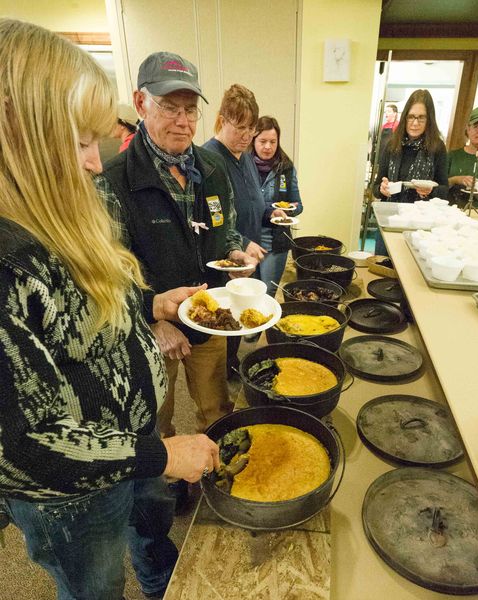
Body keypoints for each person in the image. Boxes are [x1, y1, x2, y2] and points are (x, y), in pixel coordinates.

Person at [0, 19, 220, 600]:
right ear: (13, 136)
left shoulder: (59, 210)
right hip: (74, 498)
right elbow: (26, 447)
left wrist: (151, 303)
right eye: (77, 142)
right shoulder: (7, 265)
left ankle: (157, 585)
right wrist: (162, 452)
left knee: (151, 534)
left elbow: (85, 313)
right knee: (95, 584)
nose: (96, 163)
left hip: (133, 442)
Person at [95, 53, 255, 441]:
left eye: (190, 109)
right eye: (169, 107)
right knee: (157, 422)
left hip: (210, 319)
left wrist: (235, 254)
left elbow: (226, 229)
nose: (183, 121)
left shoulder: (212, 170)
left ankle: (217, 471)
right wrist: (154, 320)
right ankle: (170, 490)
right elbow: (109, 273)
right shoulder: (113, 181)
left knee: (216, 409)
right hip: (152, 332)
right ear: (140, 103)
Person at [203, 85, 286, 359]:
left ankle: (230, 367)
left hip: (246, 261)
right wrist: (245, 242)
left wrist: (269, 213)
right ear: (222, 119)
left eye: (251, 128)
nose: (246, 136)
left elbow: (251, 203)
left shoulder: (246, 157)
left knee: (239, 322)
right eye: (239, 127)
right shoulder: (209, 160)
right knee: (221, 329)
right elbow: (214, 221)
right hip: (222, 265)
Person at [372, 89, 449, 254]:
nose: (415, 123)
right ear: (405, 117)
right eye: (411, 116)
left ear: (430, 120)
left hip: (421, 227)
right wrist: (382, 189)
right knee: (382, 269)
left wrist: (431, 190)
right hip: (390, 220)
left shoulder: (437, 147)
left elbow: (444, 190)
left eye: (421, 117)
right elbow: (376, 186)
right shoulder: (392, 145)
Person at [251, 116, 303, 296]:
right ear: (253, 140)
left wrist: (290, 209)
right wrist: (268, 210)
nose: (268, 147)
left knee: (267, 292)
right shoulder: (244, 166)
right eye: (262, 141)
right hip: (248, 239)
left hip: (275, 241)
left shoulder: (286, 168)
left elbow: (298, 204)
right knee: (249, 291)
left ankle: (267, 325)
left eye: (273, 141)